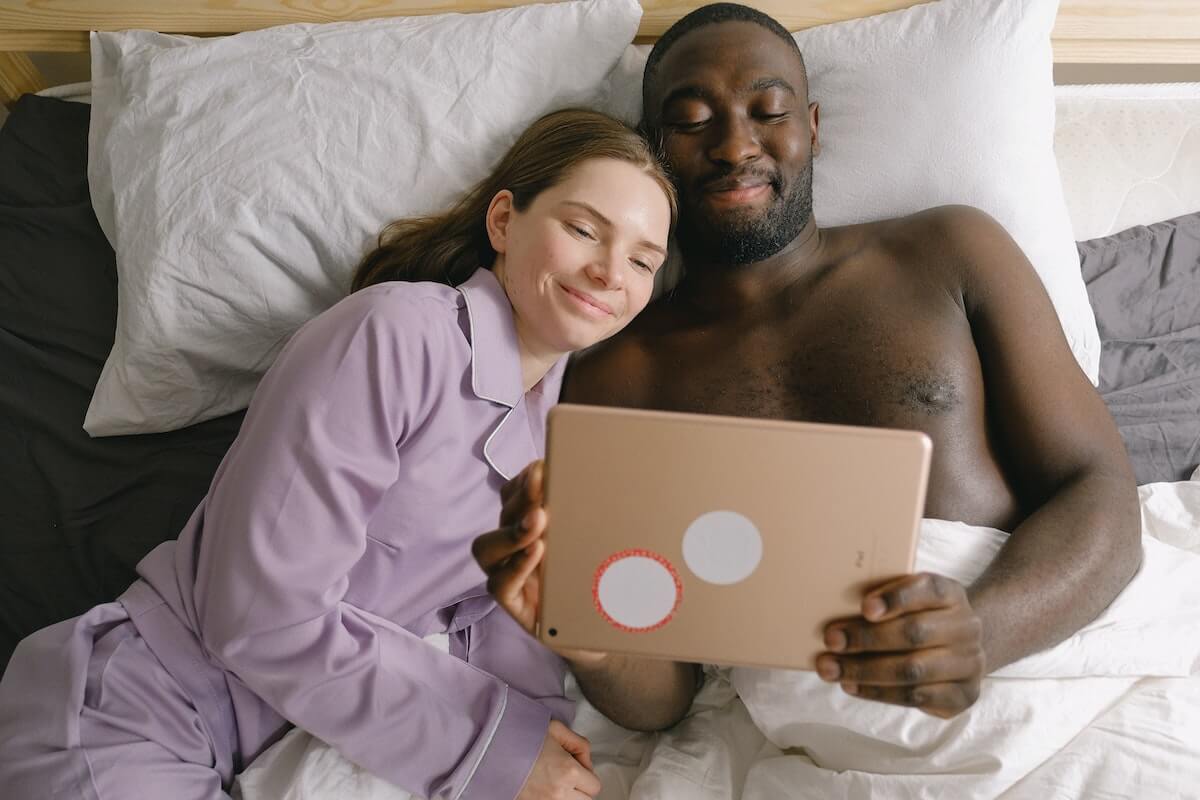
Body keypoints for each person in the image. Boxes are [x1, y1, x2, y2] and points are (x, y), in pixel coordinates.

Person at [473, 2, 1142, 731]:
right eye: (693, 120)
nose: (735, 146)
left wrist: (979, 632)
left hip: (1036, 677)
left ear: (812, 129)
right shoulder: (620, 375)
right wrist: (590, 638)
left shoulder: (950, 252)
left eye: (768, 110)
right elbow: (668, 695)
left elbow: (1103, 492)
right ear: (653, 149)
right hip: (812, 741)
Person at [0, 109, 675, 800]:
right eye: (585, 229)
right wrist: (492, 750)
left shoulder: (557, 445)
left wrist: (536, 744)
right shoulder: (397, 334)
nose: (609, 271)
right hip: (145, 715)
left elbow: (508, 651)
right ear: (503, 222)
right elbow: (261, 612)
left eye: (643, 259)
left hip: (293, 759)